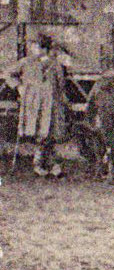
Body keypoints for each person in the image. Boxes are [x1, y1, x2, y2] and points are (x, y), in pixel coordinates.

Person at [4, 36, 71, 176]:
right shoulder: (26, 62)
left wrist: (61, 101)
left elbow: (61, 85)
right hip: (33, 103)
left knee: (49, 133)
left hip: (50, 104)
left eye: (35, 46)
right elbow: (8, 74)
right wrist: (19, 87)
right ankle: (44, 163)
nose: (32, 49)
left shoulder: (55, 64)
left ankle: (45, 163)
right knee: (39, 132)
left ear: (44, 49)